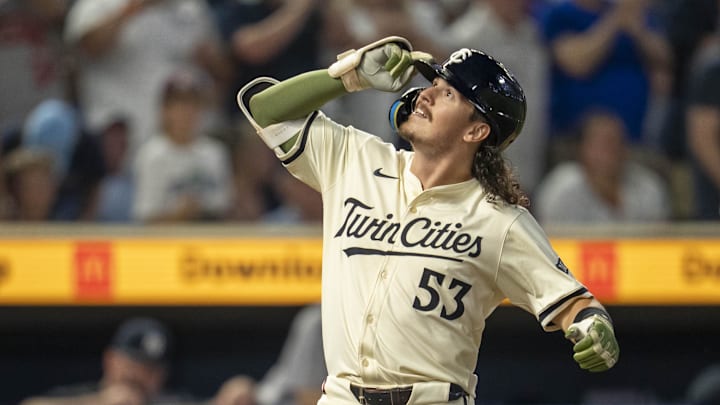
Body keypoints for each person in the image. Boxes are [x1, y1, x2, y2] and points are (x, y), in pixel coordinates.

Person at [239, 37, 620, 404]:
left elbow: (575, 303)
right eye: (433, 83)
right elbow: (265, 110)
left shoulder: (498, 220)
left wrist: (593, 327)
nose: (426, 94)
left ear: (476, 130)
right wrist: (348, 77)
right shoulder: (356, 159)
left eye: (448, 93)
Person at [131, 69, 233, 223]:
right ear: (165, 110)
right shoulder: (152, 155)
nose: (187, 111)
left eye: (193, 104)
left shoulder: (215, 152)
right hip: (167, 242)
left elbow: (226, 210)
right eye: (179, 104)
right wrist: (178, 214)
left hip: (210, 240)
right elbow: (145, 219)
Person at [534, 109, 671, 224]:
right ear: (582, 149)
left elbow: (660, 245)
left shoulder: (649, 188)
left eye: (617, 141)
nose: (612, 149)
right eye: (603, 143)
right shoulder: (559, 190)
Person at [19, 317, 191, 405]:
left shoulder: (167, 401)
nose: (141, 376)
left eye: (151, 370)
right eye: (134, 365)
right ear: (111, 360)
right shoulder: (81, 396)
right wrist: (100, 401)